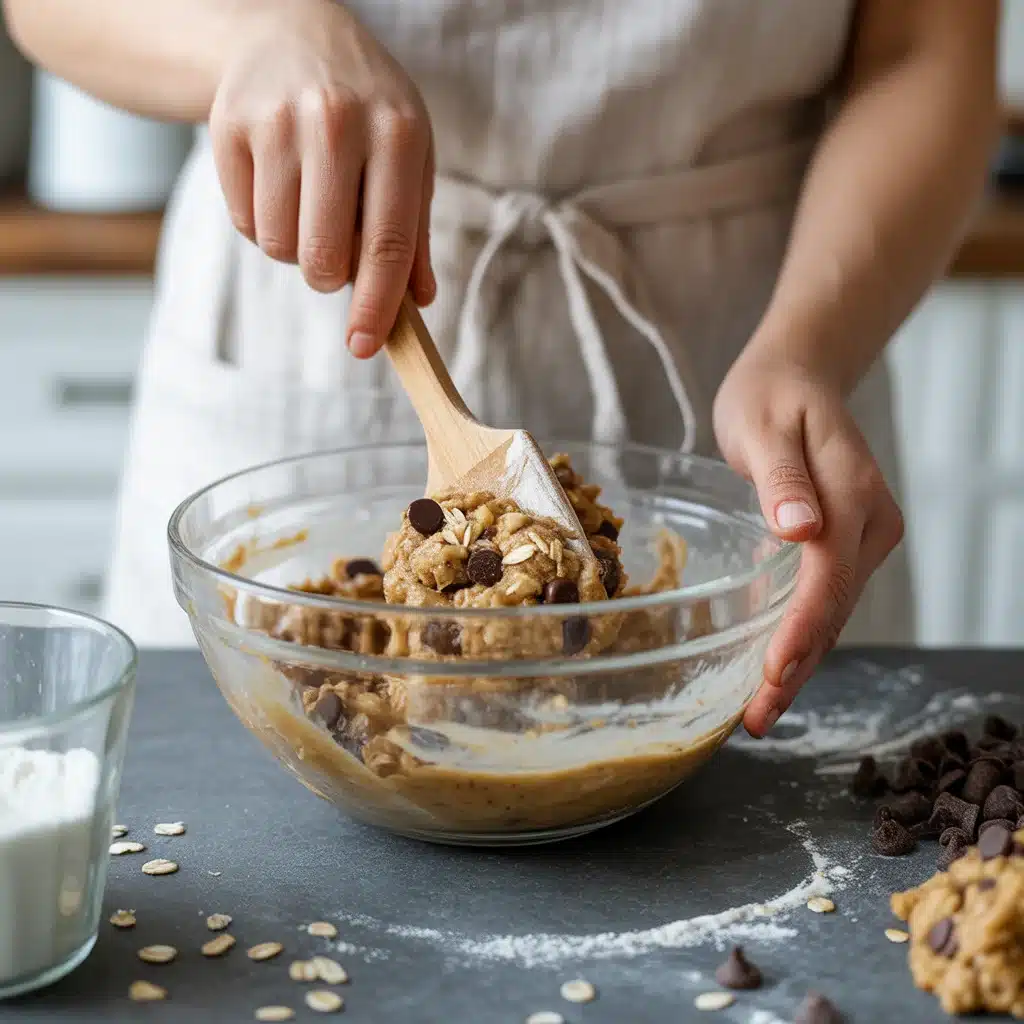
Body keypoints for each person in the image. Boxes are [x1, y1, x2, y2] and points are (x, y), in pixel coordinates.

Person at [5, 0, 999, 736]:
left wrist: (809, 346)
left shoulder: (800, 342)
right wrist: (252, 31)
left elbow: (928, 48)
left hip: (772, 321)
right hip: (304, 291)